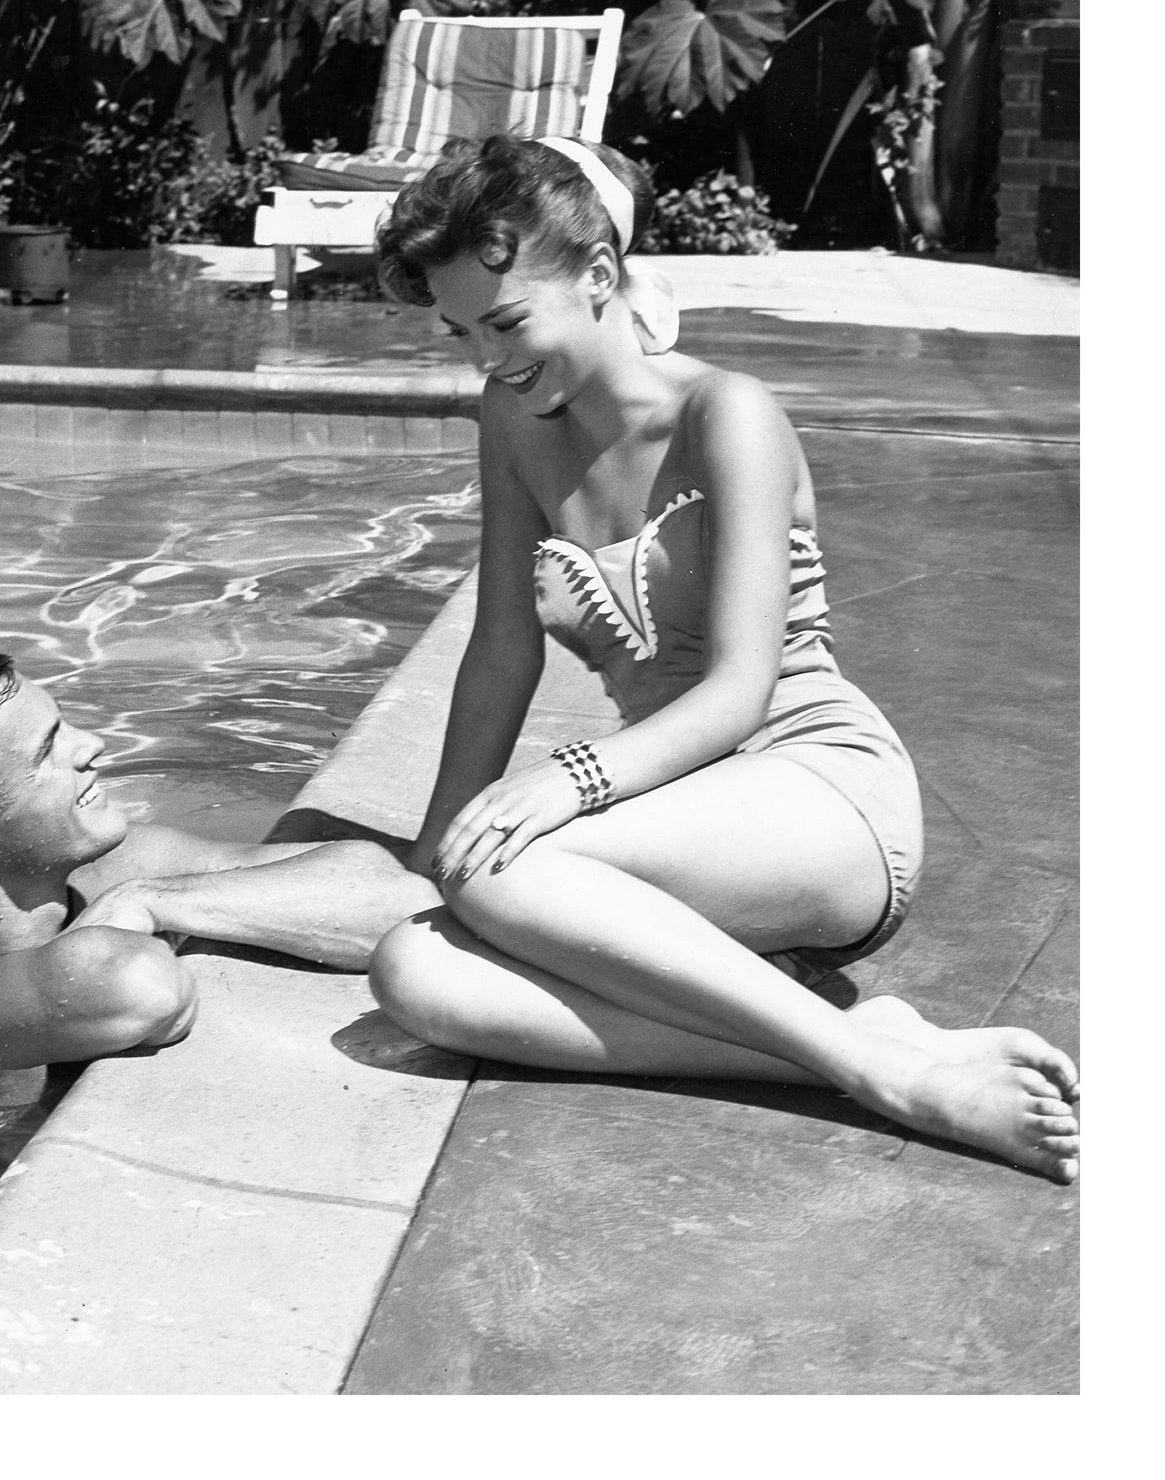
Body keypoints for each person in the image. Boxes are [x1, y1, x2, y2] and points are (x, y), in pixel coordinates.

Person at [365, 133, 1080, 1184]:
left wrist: (565, 783)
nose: (490, 357)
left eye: (507, 321)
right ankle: (860, 1048)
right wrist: (442, 840)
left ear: (599, 276)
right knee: (416, 973)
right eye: (462, 331)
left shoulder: (724, 412)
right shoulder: (510, 416)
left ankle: (892, 1082)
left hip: (816, 789)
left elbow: (741, 688)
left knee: (512, 873)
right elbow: (499, 647)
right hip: (682, 820)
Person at [0, 631, 440, 1130]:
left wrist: (150, 899)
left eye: (67, 726)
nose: (93, 744)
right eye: (47, 752)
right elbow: (138, 987)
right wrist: (136, 910)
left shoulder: (120, 871)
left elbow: (395, 896)